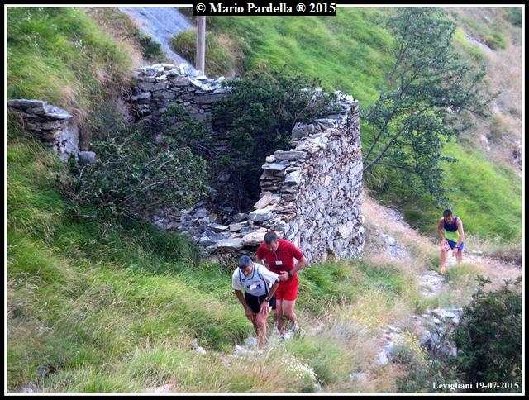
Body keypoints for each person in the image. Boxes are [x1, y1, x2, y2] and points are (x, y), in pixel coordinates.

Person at [255, 230, 307, 338]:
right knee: (278, 312)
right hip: (275, 283)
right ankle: (281, 335)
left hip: (290, 282)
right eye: (268, 248)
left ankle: (296, 328)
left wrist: (289, 273)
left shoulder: (288, 246)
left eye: (273, 247)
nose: (270, 250)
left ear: (277, 241)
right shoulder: (264, 247)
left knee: (287, 312)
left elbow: (303, 261)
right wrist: (265, 271)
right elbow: (258, 258)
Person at [232, 255, 285, 348]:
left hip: (266, 295)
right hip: (250, 296)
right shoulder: (237, 275)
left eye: (247, 270)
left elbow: (276, 281)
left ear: (252, 264)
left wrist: (266, 300)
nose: (245, 273)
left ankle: (261, 347)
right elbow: (237, 291)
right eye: (243, 271)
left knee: (260, 320)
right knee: (253, 320)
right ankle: (263, 338)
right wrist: (246, 307)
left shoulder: (260, 270)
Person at [437, 209, 466, 274]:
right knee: (443, 249)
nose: (448, 220)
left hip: (458, 240)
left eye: (449, 219)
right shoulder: (442, 220)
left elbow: (462, 235)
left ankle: (459, 271)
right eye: (446, 219)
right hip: (448, 239)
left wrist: (456, 247)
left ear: (452, 216)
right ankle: (443, 267)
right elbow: (439, 230)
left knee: (458, 257)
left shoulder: (458, 221)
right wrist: (443, 238)